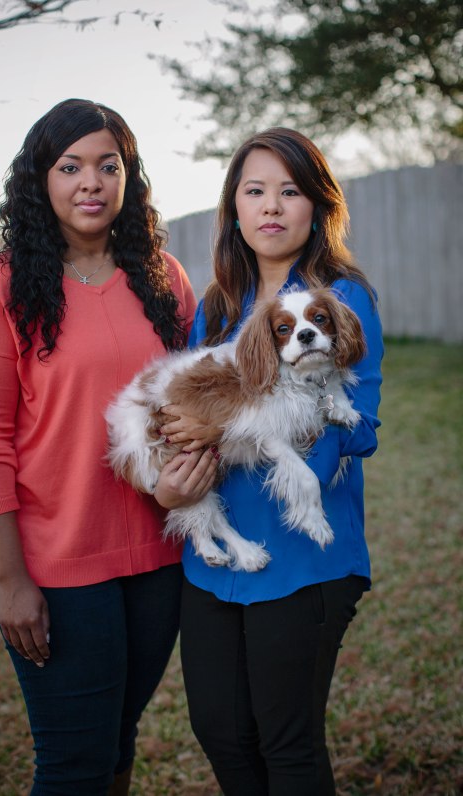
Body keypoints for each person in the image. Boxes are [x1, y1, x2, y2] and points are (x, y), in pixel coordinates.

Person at [0, 98, 218, 796]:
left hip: (160, 556)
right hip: (56, 567)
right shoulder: (0, 286)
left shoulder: (163, 278)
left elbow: (197, 401)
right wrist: (13, 579)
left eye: (109, 165)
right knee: (73, 765)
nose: (91, 182)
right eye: (70, 167)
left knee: (117, 741)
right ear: (40, 178)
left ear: (130, 176)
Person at [158, 127, 383, 795]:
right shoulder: (217, 307)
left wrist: (243, 429)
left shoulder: (340, 299)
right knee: (222, 733)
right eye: (254, 191)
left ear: (318, 204)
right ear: (234, 209)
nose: (272, 206)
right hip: (216, 557)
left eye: (290, 191)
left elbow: (360, 428)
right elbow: (186, 411)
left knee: (287, 744)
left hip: (304, 559)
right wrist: (176, 468)